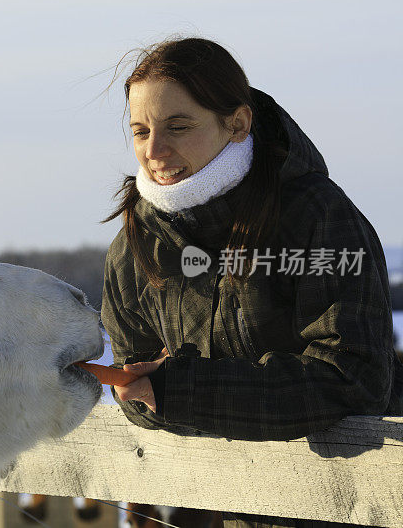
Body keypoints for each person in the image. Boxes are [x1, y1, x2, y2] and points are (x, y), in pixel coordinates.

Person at [100, 37, 403, 528]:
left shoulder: (317, 216)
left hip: (360, 503)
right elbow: (139, 386)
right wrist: (147, 390)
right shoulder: (135, 249)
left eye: (178, 126)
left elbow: (355, 379)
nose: (153, 151)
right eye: (140, 131)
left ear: (237, 123)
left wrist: (185, 390)